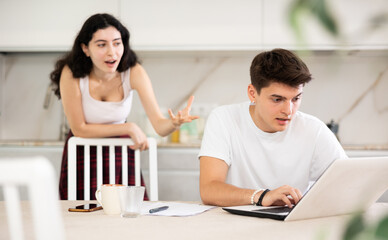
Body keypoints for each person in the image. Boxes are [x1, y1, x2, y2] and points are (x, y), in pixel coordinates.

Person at [50, 13, 198, 200]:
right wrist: (128, 127)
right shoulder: (71, 73)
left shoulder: (134, 72)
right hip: (84, 152)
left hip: (121, 153)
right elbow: (79, 129)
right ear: (85, 48)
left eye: (117, 43)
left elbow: (160, 126)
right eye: (102, 44)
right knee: (81, 213)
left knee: (126, 213)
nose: (112, 52)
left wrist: (174, 123)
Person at [198, 48, 347, 207]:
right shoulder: (224, 119)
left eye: (296, 99)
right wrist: (262, 196)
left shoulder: (314, 129)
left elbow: (348, 183)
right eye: (277, 99)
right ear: (252, 93)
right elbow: (209, 189)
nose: (288, 111)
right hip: (233, 223)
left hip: (290, 224)